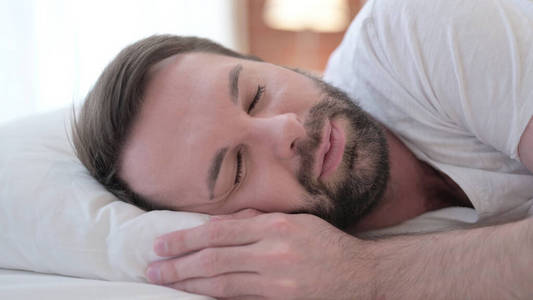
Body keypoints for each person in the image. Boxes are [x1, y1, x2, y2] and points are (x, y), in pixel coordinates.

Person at [72, 0, 533, 298]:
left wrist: (364, 275)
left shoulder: (416, 30)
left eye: (256, 93)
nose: (285, 129)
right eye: (236, 168)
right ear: (224, 225)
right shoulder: (294, 271)